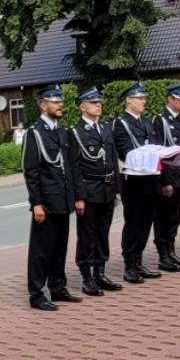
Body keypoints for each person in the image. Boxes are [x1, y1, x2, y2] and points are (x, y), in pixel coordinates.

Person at [21, 86, 79, 311]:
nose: (60, 105)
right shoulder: (34, 133)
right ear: (43, 105)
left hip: (62, 201)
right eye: (55, 102)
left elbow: (69, 169)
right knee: (41, 251)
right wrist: (36, 203)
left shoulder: (61, 132)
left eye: (60, 101)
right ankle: (36, 294)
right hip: (45, 202)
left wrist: (73, 197)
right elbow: (31, 171)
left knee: (59, 248)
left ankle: (58, 287)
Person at [67, 88, 123, 296]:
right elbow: (73, 168)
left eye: (99, 102)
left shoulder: (106, 129)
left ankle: (100, 273)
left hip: (108, 189)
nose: (98, 105)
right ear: (82, 107)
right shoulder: (75, 132)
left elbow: (113, 160)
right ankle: (86, 277)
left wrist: (118, 189)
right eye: (93, 103)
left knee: (103, 233)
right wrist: (78, 196)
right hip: (89, 190)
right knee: (87, 235)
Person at [113, 84, 164, 283]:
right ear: (128, 100)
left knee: (146, 222)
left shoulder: (146, 122)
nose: (143, 101)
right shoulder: (121, 124)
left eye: (144, 98)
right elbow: (125, 152)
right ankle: (130, 265)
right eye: (139, 98)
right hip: (134, 182)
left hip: (151, 180)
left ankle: (139, 261)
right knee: (133, 223)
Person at [151, 84, 180, 271]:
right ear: (170, 99)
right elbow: (158, 152)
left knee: (175, 217)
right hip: (168, 175)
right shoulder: (160, 120)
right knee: (163, 217)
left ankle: (171, 251)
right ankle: (163, 256)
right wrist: (164, 181)